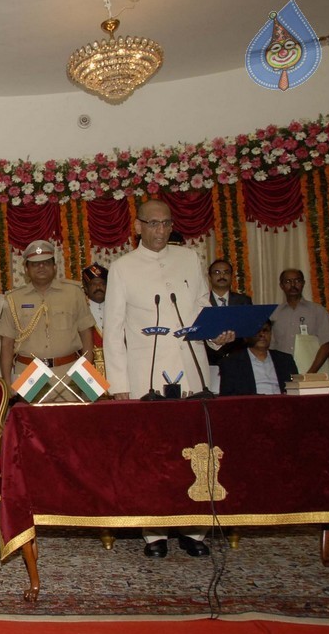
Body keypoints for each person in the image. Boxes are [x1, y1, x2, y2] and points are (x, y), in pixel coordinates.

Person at [103, 199, 234, 559]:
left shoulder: (189, 259)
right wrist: (119, 385)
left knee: (196, 449)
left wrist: (215, 336)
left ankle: (195, 531)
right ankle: (154, 532)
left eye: (166, 224)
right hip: (145, 374)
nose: (161, 231)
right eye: (153, 224)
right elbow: (112, 330)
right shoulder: (123, 268)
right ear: (138, 226)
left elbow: (200, 312)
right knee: (152, 453)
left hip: (191, 368)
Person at [0, 240, 94, 402]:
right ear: (26, 270)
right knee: (33, 424)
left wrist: (85, 373)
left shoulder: (74, 293)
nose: (41, 267)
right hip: (30, 372)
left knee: (74, 422)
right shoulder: (13, 299)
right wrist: (7, 382)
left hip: (70, 370)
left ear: (54, 267)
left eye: (45, 263)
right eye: (35, 264)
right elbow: (6, 344)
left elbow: (87, 336)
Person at [269, 269, 329, 374]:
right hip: (282, 373)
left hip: (313, 372)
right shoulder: (274, 313)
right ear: (281, 286)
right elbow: (271, 347)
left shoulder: (317, 310)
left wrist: (310, 373)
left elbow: (327, 344)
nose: (293, 285)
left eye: (297, 281)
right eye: (287, 281)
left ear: (303, 283)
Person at [205, 258, 253, 391]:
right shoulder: (202, 302)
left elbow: (248, 333)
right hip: (209, 362)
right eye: (217, 272)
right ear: (210, 277)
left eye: (226, 272)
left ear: (232, 276)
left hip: (237, 362)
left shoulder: (243, 301)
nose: (221, 276)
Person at [219, 321, 298, 395]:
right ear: (245, 337)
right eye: (257, 330)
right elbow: (227, 397)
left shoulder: (285, 360)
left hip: (283, 405)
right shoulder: (232, 363)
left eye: (266, 330)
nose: (262, 335)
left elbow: (297, 390)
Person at [81, 263, 108, 348]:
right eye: (93, 284)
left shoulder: (118, 309)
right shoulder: (80, 310)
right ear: (86, 288)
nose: (98, 287)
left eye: (102, 284)